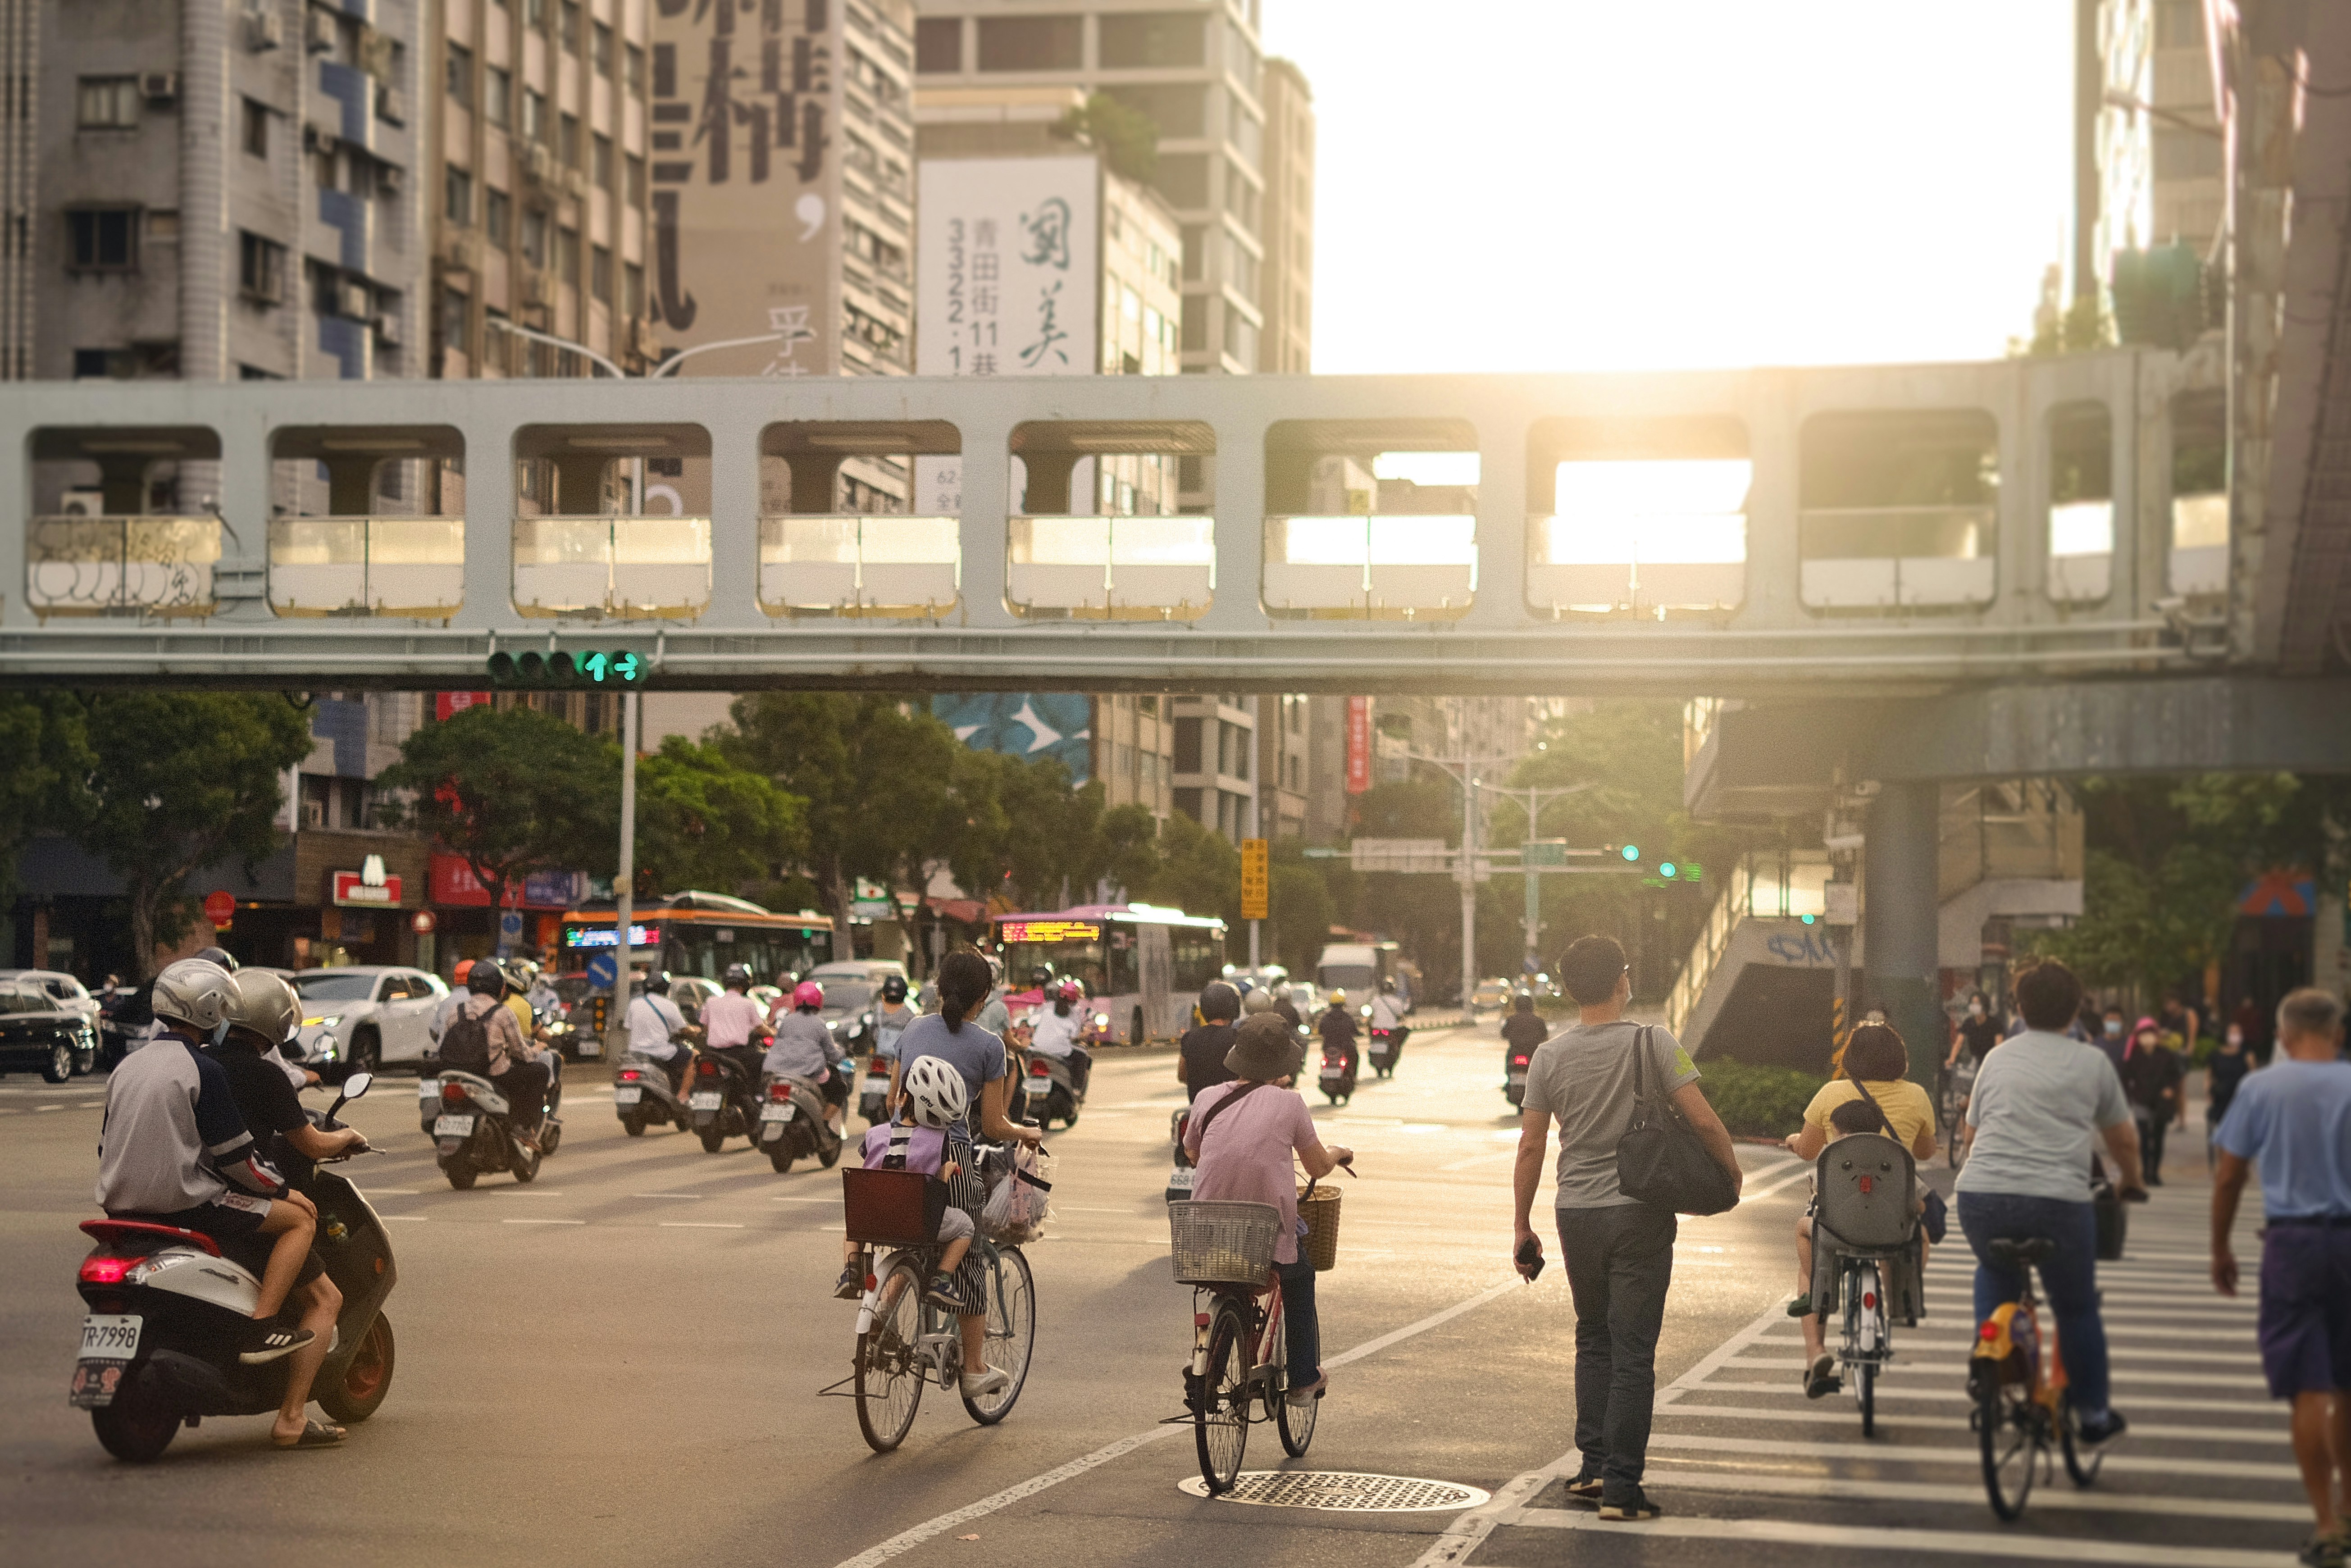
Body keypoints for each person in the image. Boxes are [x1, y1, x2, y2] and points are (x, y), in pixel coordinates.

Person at [1512, 934, 1743, 1522]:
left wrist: (1522, 1226)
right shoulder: (1655, 1043)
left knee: (1593, 1336)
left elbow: (1532, 1145)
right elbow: (1705, 1122)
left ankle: (1592, 1468)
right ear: (1622, 981)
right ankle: (1620, 1488)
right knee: (1633, 1351)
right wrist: (1731, 1174)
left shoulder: (1548, 1057)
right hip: (1638, 1210)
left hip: (1575, 1215)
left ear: (1568, 988)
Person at [94, 958, 319, 1367]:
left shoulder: (126, 1067)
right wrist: (286, 1191)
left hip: (118, 1206)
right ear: (210, 1010)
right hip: (188, 1205)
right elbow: (238, 1160)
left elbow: (105, 1146)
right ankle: (263, 1326)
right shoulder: (203, 1069)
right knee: (300, 1220)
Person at [1956, 957, 2143, 1447]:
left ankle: (1988, 1365)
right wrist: (2131, 1181)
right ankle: (2095, 1414)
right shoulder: (2092, 1062)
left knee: (1995, 1269)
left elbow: (1971, 1136)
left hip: (1981, 1197)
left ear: (2018, 1007)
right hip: (2057, 1203)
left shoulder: (1998, 1059)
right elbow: (2121, 1139)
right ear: (2077, 1010)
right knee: (2075, 1308)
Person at [2210, 988, 2351, 1568]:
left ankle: (2326, 1526)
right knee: (2347, 1387)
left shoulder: (2260, 1087)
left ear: (2285, 1037)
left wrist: (2219, 1247)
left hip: (2292, 1244)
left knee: (2308, 1388)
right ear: (2337, 1034)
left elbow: (2229, 1177)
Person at [213, 971, 368, 1448]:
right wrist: (347, 1138)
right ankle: (292, 1417)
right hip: (242, 1200)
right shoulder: (267, 1074)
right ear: (279, 1023)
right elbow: (311, 1143)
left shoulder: (201, 1064)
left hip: (192, 1193)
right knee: (326, 1299)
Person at [889, 949, 1042, 1400]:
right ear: (985, 998)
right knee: (970, 1253)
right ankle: (974, 1368)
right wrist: (1026, 1133)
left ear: (938, 988)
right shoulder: (989, 1046)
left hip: (899, 1148)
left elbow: (893, 1099)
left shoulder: (913, 1028)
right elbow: (994, 1126)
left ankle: (879, 1316)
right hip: (950, 1154)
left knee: (911, 1241)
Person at [1186, 1011, 1352, 1408]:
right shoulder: (1290, 1104)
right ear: (1281, 1063)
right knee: (1300, 1277)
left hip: (1204, 1229)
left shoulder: (1207, 1098)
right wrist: (1338, 1153)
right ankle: (1302, 1380)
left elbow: (1193, 1153)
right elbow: (1316, 1167)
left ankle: (1206, 1369)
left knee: (1233, 1280)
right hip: (1264, 1230)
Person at [1783, 1022, 1938, 1398]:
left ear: (1850, 1057)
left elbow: (1807, 1150)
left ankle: (1816, 1353)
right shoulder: (1916, 1095)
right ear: (1899, 1059)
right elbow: (1926, 1152)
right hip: (1893, 1221)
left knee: (1811, 1257)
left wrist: (1791, 1140)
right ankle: (1901, 1295)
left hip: (1836, 1222)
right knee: (1914, 1235)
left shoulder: (1832, 1093)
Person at [835, 1056, 979, 1304]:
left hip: (872, 1221)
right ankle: (942, 1281)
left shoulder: (874, 1134)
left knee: (853, 1226)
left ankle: (852, 1271)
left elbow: (868, 1166)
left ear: (901, 1098)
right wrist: (946, 1172)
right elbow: (938, 1177)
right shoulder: (939, 1139)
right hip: (916, 1223)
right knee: (966, 1226)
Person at [436, 963, 547, 1148]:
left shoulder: (456, 1011)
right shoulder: (503, 1013)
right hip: (493, 1075)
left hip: (456, 1073)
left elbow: (443, 1044)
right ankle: (524, 1128)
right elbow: (522, 1054)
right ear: (501, 988)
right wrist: (539, 1048)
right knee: (540, 1071)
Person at [763, 980, 848, 1131]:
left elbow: (778, 1042)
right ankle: (824, 1125)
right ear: (818, 1001)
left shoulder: (787, 1021)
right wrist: (843, 1053)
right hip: (807, 1074)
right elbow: (833, 1055)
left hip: (778, 1072)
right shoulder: (819, 1024)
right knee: (840, 1089)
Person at [2120, 1016, 2183, 1185]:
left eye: (2150, 1034)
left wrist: (2170, 1089)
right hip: (2141, 1100)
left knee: (2158, 1137)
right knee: (2144, 1137)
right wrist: (2130, 1096)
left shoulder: (2166, 1056)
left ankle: (2155, 1172)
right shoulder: (2134, 1057)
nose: (2147, 1039)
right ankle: (2145, 1172)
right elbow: (2125, 1077)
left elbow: (2175, 1075)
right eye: (2143, 1035)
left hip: (2161, 1102)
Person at [698, 965, 770, 1081]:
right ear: (746, 983)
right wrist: (775, 1034)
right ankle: (758, 1096)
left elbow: (705, 1029)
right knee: (764, 1059)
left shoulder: (710, 1002)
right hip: (739, 1055)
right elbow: (761, 1029)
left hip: (712, 1053)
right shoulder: (747, 1003)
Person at [1178, 980, 1243, 1101]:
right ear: (1234, 1009)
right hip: (1231, 1109)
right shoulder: (1239, 1038)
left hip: (1199, 1109)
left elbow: (1182, 1076)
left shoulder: (1189, 1038)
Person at [627, 973, 691, 1092]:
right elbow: (684, 1029)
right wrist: (697, 1030)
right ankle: (683, 1095)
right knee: (694, 1056)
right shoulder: (669, 1005)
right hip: (660, 1052)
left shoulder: (634, 1004)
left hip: (635, 1053)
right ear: (665, 988)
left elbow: (629, 1026)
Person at [1028, 979, 1091, 1093]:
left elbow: (1031, 1022)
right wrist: (1085, 1034)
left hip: (1036, 1049)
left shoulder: (1045, 1007)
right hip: (1059, 1053)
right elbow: (1074, 1037)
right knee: (1082, 1053)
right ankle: (1076, 1089)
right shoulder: (1074, 1014)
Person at [2208, 1020, 2253, 1144]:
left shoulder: (2247, 1055)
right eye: (2232, 1033)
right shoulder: (2216, 1055)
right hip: (2221, 1097)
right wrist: (2209, 1093)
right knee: (2221, 1133)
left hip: (2240, 1097)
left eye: (2238, 1033)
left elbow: (2253, 1076)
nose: (2235, 1035)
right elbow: (2209, 1076)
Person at [1502, 990, 1549, 1082]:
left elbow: (1504, 1034)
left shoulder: (1511, 1020)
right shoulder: (1538, 1021)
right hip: (1532, 1053)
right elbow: (1545, 1036)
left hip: (1515, 1051)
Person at [1947, 991, 2002, 1070]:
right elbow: (1959, 1043)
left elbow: (1999, 1047)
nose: (1974, 1006)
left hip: (1990, 1062)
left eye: (1977, 1003)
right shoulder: (1968, 1023)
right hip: (1974, 1062)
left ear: (1984, 1006)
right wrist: (1952, 1059)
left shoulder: (1995, 1024)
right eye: (1972, 1003)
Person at [871, 974, 916, 1063]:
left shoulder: (878, 1009)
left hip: (880, 1059)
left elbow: (872, 1032)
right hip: (901, 1059)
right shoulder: (910, 1015)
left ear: (884, 994)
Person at [1317, 990, 1360, 1077]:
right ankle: (1354, 1077)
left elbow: (1320, 1031)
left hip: (1328, 1047)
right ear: (1343, 1004)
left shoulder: (1326, 1018)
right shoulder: (1347, 1017)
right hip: (1346, 1047)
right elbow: (1355, 1031)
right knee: (1355, 1057)